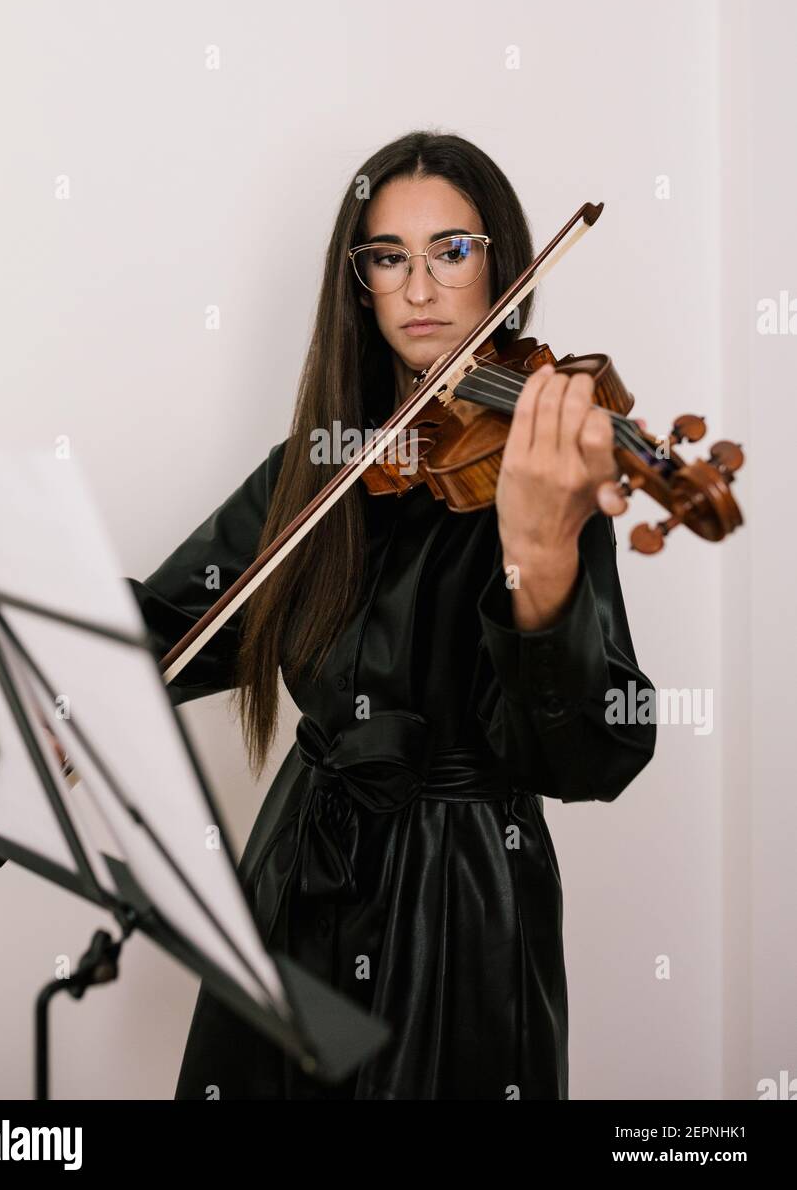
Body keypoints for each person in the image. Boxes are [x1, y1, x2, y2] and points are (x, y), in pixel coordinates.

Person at [125, 129, 657, 1100]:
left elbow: (592, 754)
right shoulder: (322, 463)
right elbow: (168, 626)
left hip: (458, 906)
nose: (419, 289)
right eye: (387, 257)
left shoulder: (542, 474)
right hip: (300, 871)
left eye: (450, 251)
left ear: (500, 263)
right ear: (359, 282)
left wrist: (540, 554)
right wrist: (65, 666)